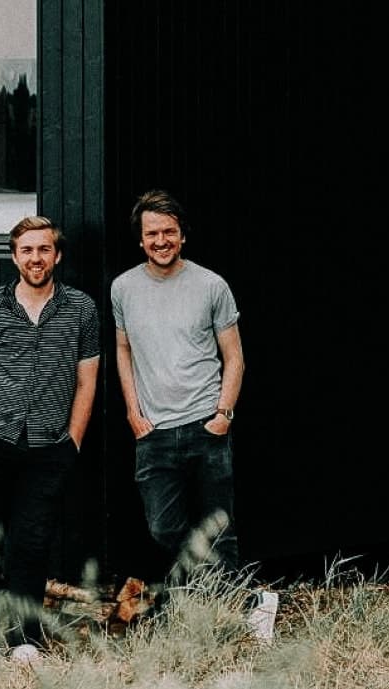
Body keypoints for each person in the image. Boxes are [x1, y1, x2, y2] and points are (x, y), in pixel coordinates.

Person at [0, 215, 100, 656]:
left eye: (44, 249)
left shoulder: (81, 309)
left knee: (32, 544)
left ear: (58, 255)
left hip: (49, 447)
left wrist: (72, 440)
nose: (36, 258)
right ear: (14, 256)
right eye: (27, 250)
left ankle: (25, 640)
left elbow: (87, 381)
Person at [110, 189, 245, 586]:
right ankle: (232, 597)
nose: (161, 241)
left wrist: (223, 415)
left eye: (169, 232)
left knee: (219, 528)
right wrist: (133, 414)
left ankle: (233, 609)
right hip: (153, 431)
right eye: (152, 234)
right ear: (140, 239)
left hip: (206, 424)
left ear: (182, 234)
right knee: (162, 527)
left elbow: (234, 356)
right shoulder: (123, 288)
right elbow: (123, 350)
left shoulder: (211, 285)